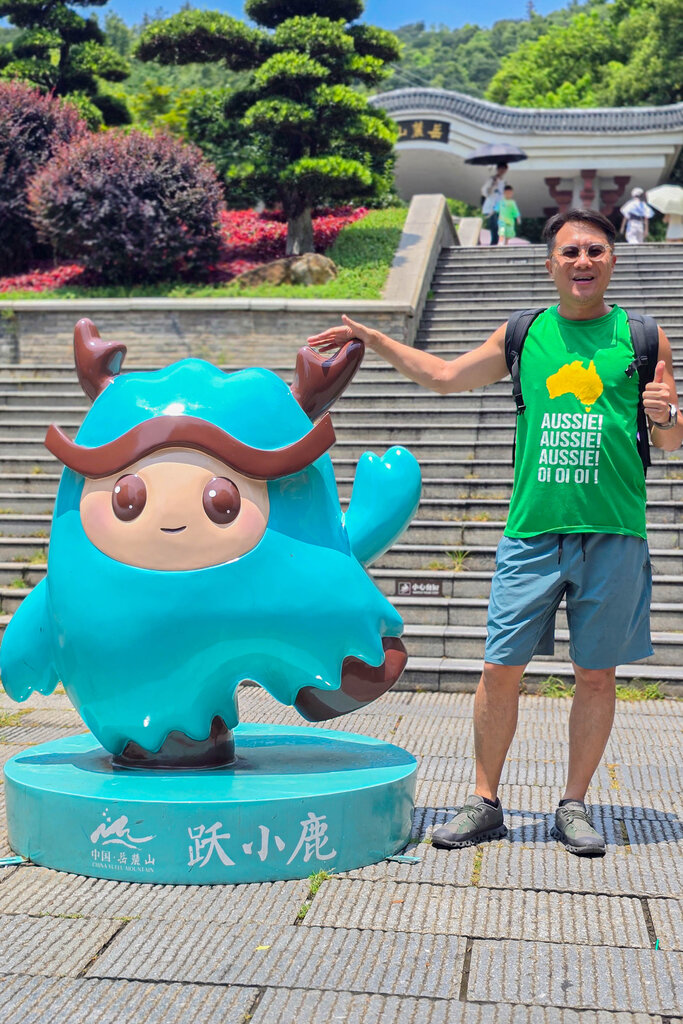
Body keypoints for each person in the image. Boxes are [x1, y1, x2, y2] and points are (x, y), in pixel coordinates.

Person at [307, 208, 683, 858]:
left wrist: (669, 414)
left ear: (612, 260)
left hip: (614, 531)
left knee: (596, 676)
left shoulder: (643, 336)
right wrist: (375, 338)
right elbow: (443, 376)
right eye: (570, 251)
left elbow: (670, 439)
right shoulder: (524, 333)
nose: (583, 261)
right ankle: (484, 801)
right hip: (531, 532)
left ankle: (572, 804)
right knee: (498, 668)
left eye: (595, 250)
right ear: (550, 263)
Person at [481, 163, 508, 246]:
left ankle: (497, 243)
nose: (502, 171)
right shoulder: (492, 179)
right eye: (500, 169)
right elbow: (484, 191)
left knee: (500, 225)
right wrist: (492, 186)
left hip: (500, 207)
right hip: (491, 207)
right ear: (497, 169)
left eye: (504, 169)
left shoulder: (504, 182)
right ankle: (493, 243)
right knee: (494, 225)